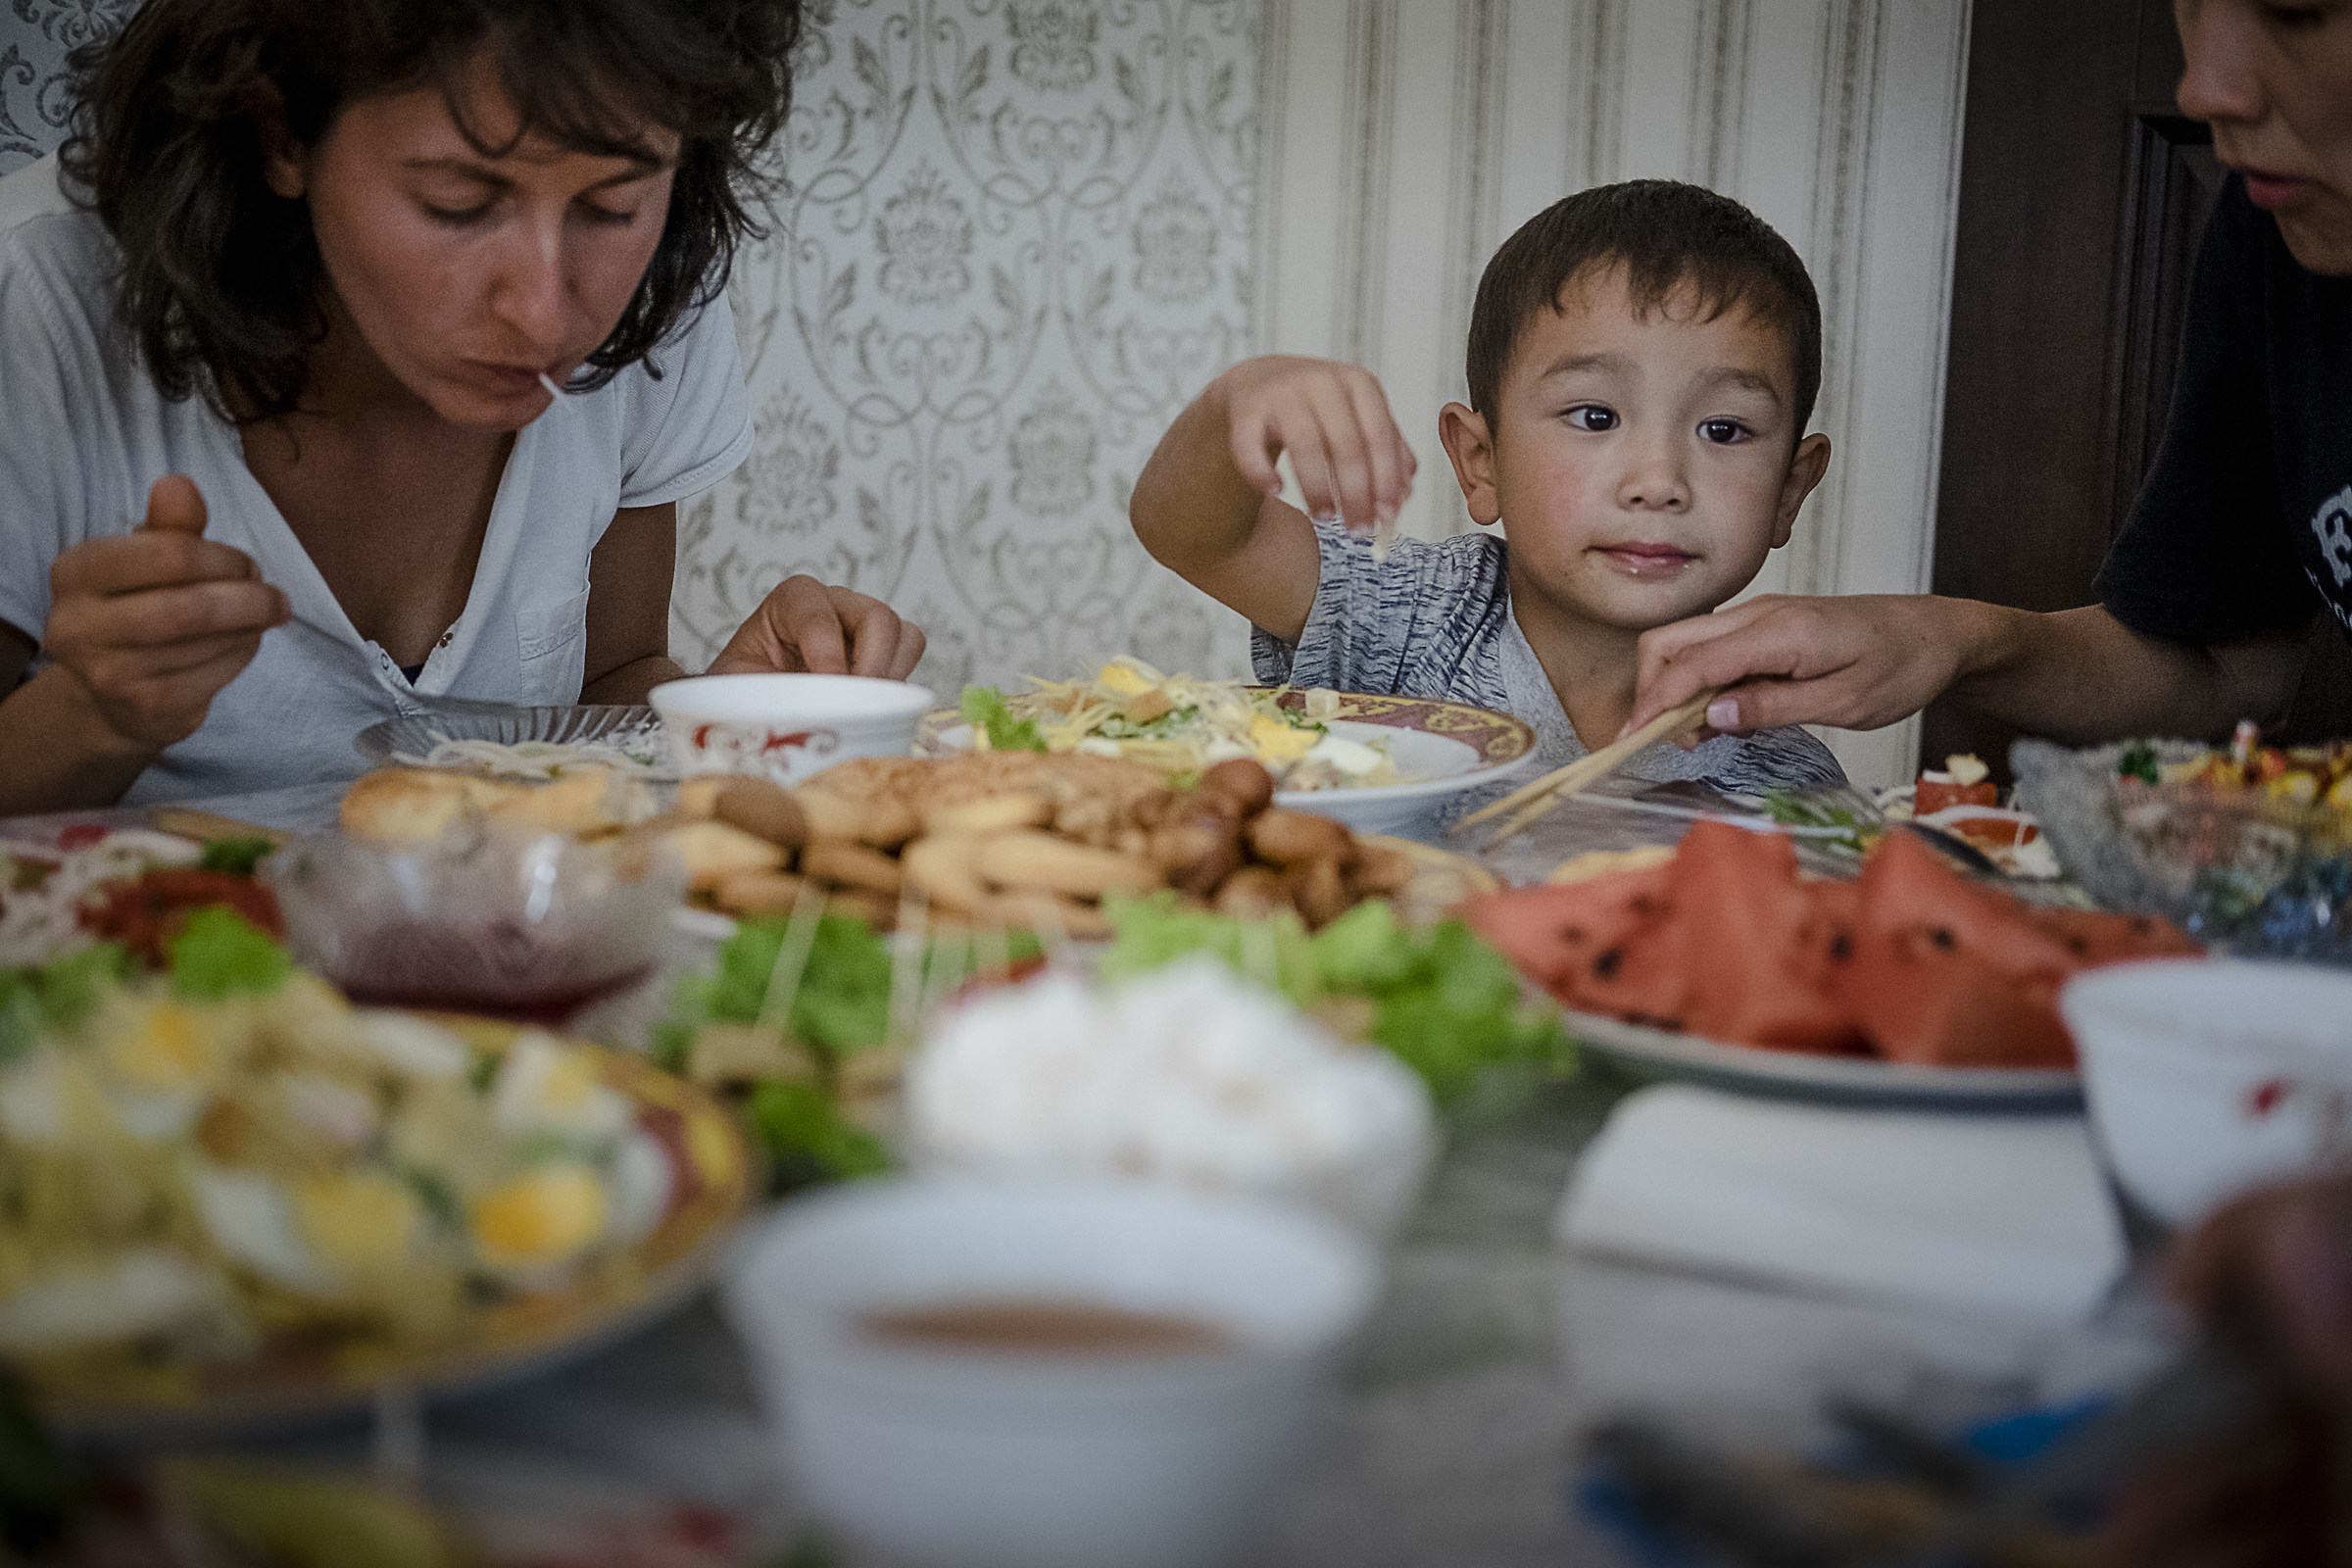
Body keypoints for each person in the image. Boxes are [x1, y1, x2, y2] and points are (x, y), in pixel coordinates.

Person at [0, 0, 924, 814]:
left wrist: (723, 721)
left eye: (610, 205)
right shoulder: (38, 305)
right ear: (281, 132)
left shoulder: (656, 302)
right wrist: (91, 715)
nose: (545, 312)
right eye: (458, 203)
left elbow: (607, 682)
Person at [1621, 0, 2351, 756]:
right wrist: (1944, 638)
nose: (2204, 88)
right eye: (2192, 5)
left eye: (2296, 11)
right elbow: (2231, 674)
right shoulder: (2270, 229)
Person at [1131, 180, 1847, 799]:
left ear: (1790, 490)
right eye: (1595, 416)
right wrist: (1239, 398)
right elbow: (1194, 536)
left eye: (1724, 431)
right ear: (1481, 462)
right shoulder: (1413, 616)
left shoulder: (1790, 783)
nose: (1658, 483)